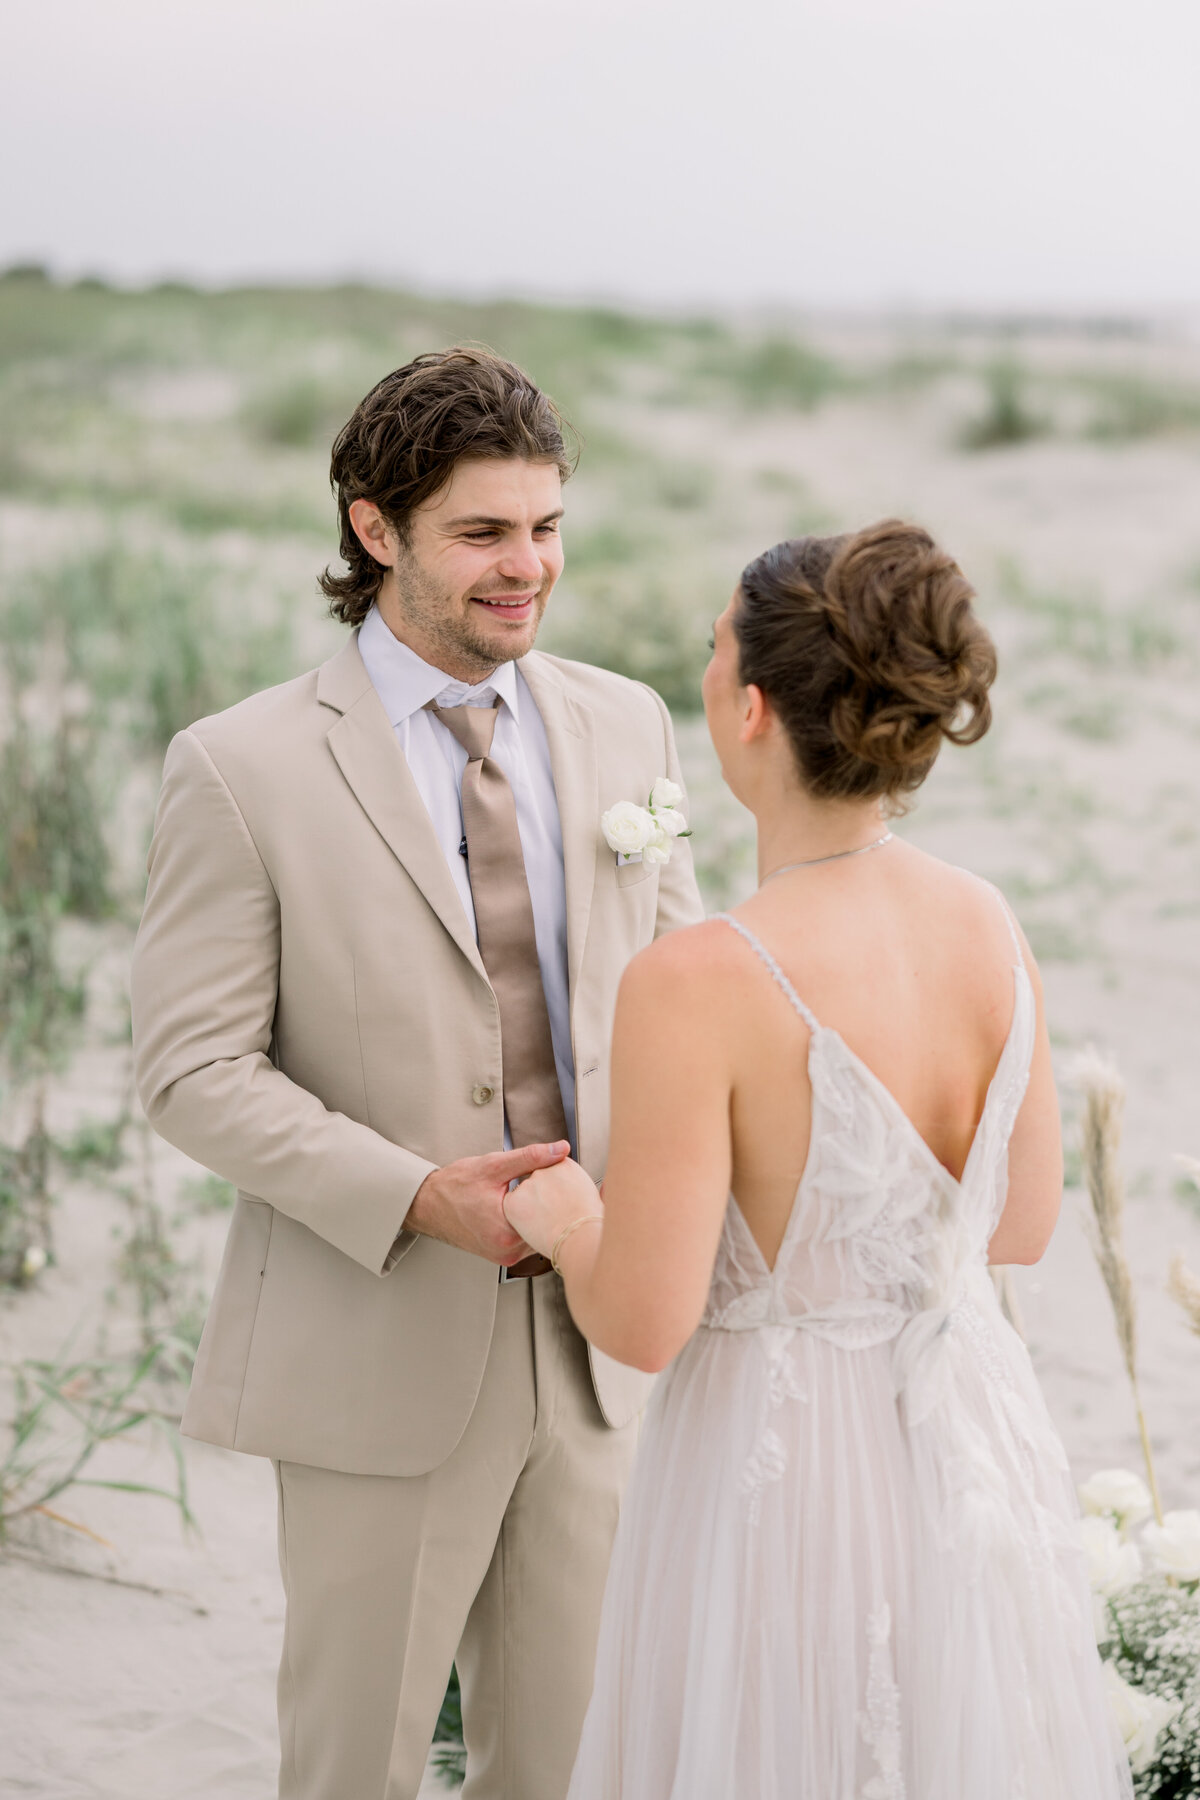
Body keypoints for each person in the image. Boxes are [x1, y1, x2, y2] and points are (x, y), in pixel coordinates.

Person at [129, 347, 703, 1800]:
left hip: (597, 1348)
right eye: (485, 534)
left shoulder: (627, 722)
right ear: (375, 530)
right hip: (374, 1336)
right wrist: (418, 1196)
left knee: (575, 1765)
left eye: (549, 527)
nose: (531, 568)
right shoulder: (239, 766)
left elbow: (676, 997)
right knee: (356, 1767)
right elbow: (191, 1068)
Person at [506, 520, 1133, 1798]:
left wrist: (568, 1212)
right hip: (973, 1446)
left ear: (748, 710)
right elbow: (1016, 1229)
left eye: (712, 652)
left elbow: (640, 1319)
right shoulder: (982, 917)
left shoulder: (701, 977)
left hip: (783, 1475)